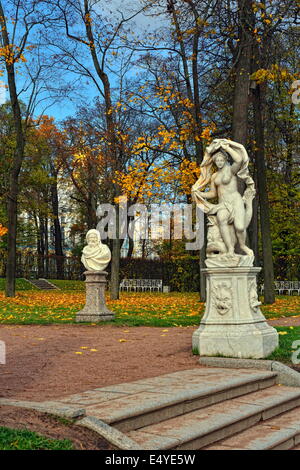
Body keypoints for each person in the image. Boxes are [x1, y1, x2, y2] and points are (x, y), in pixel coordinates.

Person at [192, 138, 256, 257]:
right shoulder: (214, 176)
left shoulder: (231, 170)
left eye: (221, 160)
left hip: (235, 201)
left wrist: (227, 147)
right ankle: (230, 249)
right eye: (217, 161)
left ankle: (242, 245)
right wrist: (200, 194)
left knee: (240, 227)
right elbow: (213, 194)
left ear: (225, 160)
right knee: (221, 219)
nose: (219, 162)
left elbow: (239, 159)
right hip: (223, 204)